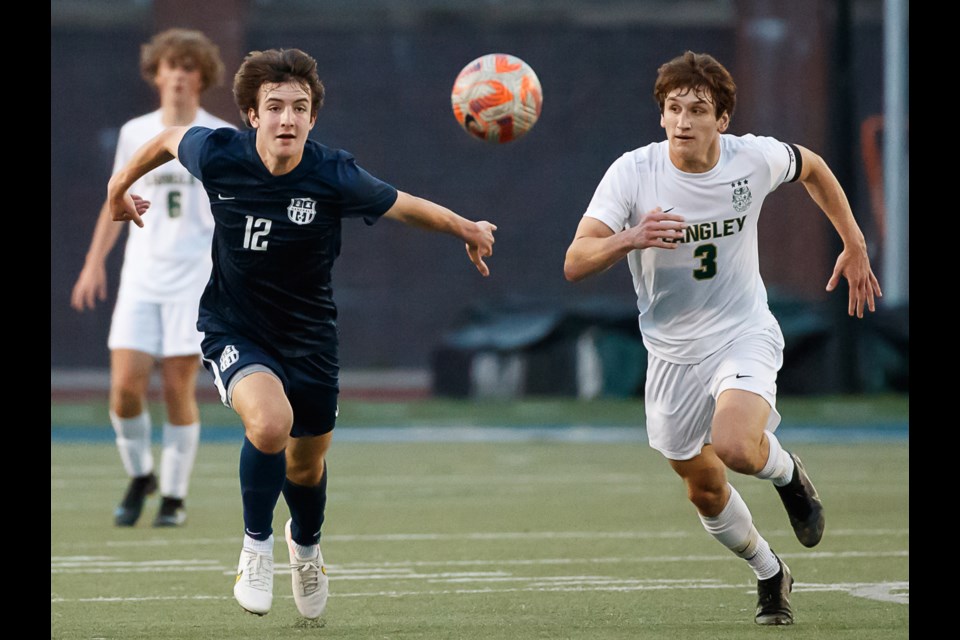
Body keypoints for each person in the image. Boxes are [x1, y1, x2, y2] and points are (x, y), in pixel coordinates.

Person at [104, 47, 497, 620]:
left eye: (299, 108)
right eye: (274, 106)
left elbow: (402, 205)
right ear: (251, 115)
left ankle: (305, 547)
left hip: (311, 339)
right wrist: (118, 187)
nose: (287, 118)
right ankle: (255, 547)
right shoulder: (217, 154)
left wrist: (465, 226)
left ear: (313, 119)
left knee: (306, 466)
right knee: (270, 424)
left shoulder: (332, 172)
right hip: (234, 328)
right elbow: (168, 138)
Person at [563, 51, 881, 626]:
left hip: (742, 331)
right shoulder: (633, 172)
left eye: (698, 109)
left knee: (735, 446)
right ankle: (769, 572)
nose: (683, 121)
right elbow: (576, 261)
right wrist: (629, 238)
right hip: (669, 354)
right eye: (673, 108)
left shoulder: (752, 159)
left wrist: (854, 243)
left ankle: (787, 473)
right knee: (705, 492)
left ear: (723, 119)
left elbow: (813, 167)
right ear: (661, 116)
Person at [71, 29, 235, 528]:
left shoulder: (220, 135)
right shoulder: (134, 131)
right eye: (172, 66)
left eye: (190, 66)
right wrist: (94, 261)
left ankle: (174, 498)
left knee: (177, 387)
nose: (180, 75)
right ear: (157, 73)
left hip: (193, 277)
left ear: (202, 76)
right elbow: (115, 198)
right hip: (142, 275)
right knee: (124, 388)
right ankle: (141, 474)